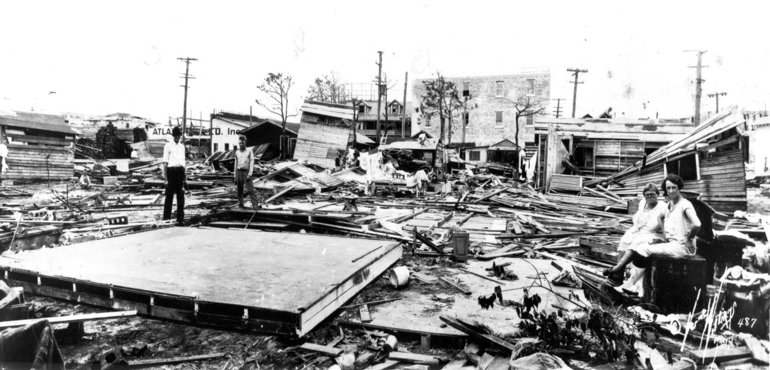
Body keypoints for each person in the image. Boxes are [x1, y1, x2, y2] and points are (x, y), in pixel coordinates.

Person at [604, 175, 701, 280]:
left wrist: (689, 239)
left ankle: (628, 278)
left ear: (679, 188)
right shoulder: (670, 204)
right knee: (630, 242)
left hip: (683, 247)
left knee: (642, 248)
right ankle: (626, 275)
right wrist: (666, 233)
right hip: (673, 243)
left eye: (674, 187)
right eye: (668, 188)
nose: (671, 191)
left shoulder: (684, 204)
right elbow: (660, 217)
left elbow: (697, 224)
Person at [163, 127, 186, 225]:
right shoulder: (168, 146)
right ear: (173, 136)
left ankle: (180, 219)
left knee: (181, 197)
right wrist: (165, 179)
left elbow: (183, 163)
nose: (177, 138)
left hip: (180, 172)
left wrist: (185, 178)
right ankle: (166, 219)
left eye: (179, 136)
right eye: (176, 136)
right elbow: (165, 163)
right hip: (171, 172)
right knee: (169, 196)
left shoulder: (182, 147)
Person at [234, 135, 259, 209]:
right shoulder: (237, 152)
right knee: (239, 191)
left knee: (251, 190)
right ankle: (241, 205)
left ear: (245, 142)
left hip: (246, 172)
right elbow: (235, 164)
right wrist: (234, 175)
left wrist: (250, 174)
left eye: (242, 143)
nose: (241, 144)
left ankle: (255, 206)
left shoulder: (249, 151)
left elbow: (252, 162)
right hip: (239, 172)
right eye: (240, 143)